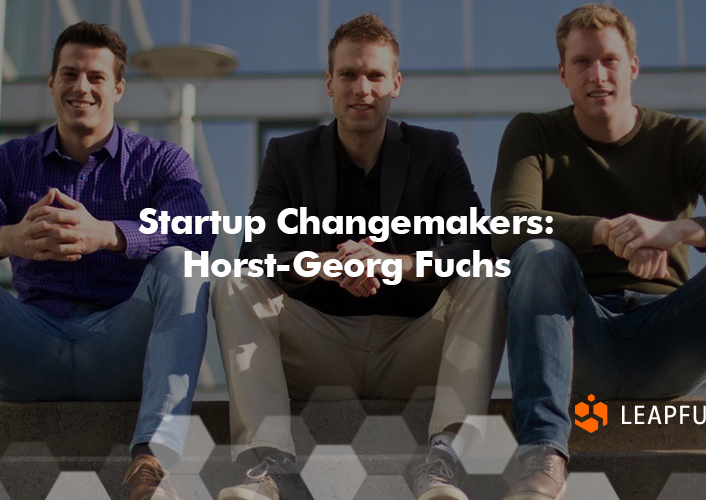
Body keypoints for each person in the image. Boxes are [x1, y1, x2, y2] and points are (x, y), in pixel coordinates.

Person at [492, 4, 706, 500]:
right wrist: (606, 232)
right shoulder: (534, 134)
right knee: (538, 253)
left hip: (668, 339)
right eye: (582, 63)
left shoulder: (684, 137)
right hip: (581, 336)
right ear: (563, 74)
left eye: (609, 60)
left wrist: (675, 231)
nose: (597, 75)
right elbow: (507, 225)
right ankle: (543, 454)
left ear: (633, 66)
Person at [0, 21, 214, 500]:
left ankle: (152, 465)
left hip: (120, 349)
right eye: (69, 74)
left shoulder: (162, 161)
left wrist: (109, 234)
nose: (81, 87)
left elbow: (200, 229)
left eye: (95, 77)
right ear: (51, 83)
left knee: (183, 265)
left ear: (118, 87)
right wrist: (9, 239)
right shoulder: (8, 162)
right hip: (30, 349)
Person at [212, 13, 505, 500]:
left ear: (395, 84)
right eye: (348, 74)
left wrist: (395, 263)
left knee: (489, 275)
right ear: (330, 83)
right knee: (232, 281)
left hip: (413, 346)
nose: (361, 88)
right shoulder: (287, 155)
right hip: (318, 349)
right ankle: (268, 469)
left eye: (374, 76)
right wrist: (328, 262)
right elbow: (256, 251)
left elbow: (476, 241)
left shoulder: (437, 151)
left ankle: (444, 460)